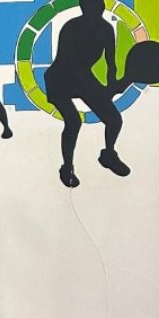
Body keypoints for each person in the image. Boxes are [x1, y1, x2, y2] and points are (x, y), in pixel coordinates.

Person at [43, 0, 128, 188]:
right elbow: (67, 62)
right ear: (84, 8)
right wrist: (102, 92)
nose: (95, 10)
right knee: (73, 121)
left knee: (114, 120)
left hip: (83, 77)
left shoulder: (106, 29)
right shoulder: (71, 27)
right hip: (59, 78)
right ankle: (67, 168)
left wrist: (111, 86)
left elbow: (111, 64)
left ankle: (109, 154)